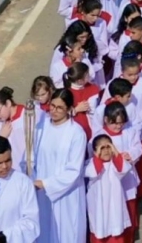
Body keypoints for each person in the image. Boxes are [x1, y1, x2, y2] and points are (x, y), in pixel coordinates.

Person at [34, 89, 88, 243]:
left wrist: (46, 183)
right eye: (52, 106)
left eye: (59, 108)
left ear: (70, 109)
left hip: (67, 194)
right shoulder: (41, 127)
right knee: (44, 229)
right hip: (41, 192)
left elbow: (74, 170)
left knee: (66, 233)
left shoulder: (76, 133)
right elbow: (33, 156)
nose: (54, 111)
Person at [85, 134, 134, 243]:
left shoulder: (115, 163)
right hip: (99, 206)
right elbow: (92, 172)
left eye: (108, 147)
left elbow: (123, 169)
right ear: (95, 151)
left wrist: (116, 152)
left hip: (115, 204)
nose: (106, 151)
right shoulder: (90, 163)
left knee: (116, 228)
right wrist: (97, 157)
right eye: (102, 148)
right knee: (100, 228)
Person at [0, 86, 42, 173]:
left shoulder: (29, 114)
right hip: (15, 172)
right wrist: (2, 138)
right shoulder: (0, 127)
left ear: (8, 103)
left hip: (36, 167)